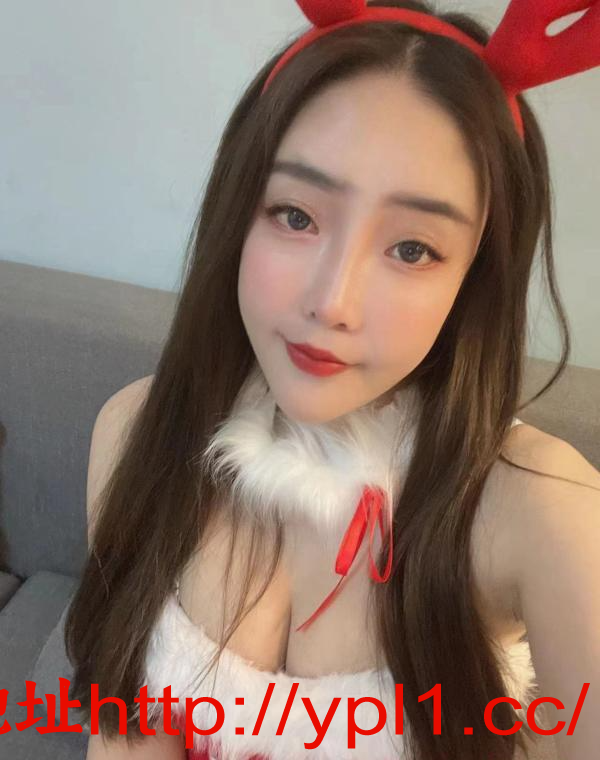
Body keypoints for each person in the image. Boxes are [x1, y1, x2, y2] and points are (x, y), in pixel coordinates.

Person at [67, 1, 600, 759]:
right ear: (236, 212)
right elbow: (124, 734)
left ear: (475, 280)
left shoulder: (547, 514)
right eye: (295, 215)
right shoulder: (134, 431)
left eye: (413, 249)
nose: (332, 302)